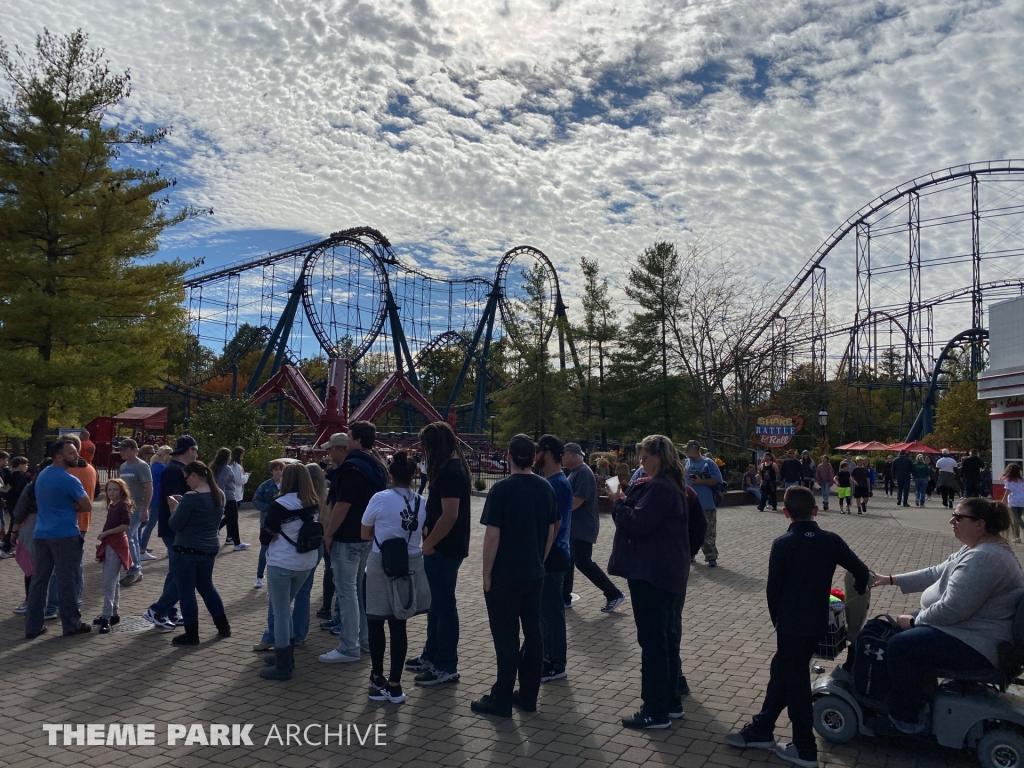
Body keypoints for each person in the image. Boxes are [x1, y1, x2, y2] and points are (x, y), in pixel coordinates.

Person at [728, 486, 870, 768]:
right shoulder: (831, 540)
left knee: (796, 685)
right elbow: (860, 570)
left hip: (790, 623)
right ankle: (762, 727)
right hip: (817, 621)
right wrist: (860, 587)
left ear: (785, 513)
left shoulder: (783, 543)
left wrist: (776, 619)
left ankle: (804, 748)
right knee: (782, 670)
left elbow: (773, 589)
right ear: (815, 511)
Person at [872, 498, 1024, 733]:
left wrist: (915, 621)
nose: (951, 520)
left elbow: (953, 609)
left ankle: (907, 718)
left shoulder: (985, 558)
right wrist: (892, 580)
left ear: (979, 525)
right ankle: (918, 693)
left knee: (900, 646)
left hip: (979, 642)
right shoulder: (975, 548)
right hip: (966, 628)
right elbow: (936, 572)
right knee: (890, 628)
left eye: (958, 517)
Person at [472, 434, 559, 718]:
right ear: (534, 458)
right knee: (533, 634)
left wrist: (486, 575)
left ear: (508, 456)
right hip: (534, 573)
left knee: (506, 637)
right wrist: (541, 559)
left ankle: (501, 697)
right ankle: (528, 695)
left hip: (506, 575)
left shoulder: (503, 490)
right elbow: (551, 529)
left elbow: (492, 536)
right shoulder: (546, 487)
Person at [607, 434, 690, 729]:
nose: (641, 462)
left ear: (658, 457)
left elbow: (638, 524)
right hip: (665, 572)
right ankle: (670, 701)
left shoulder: (660, 486)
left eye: (644, 458)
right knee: (665, 639)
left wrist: (618, 502)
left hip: (652, 573)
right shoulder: (670, 485)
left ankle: (655, 710)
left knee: (653, 642)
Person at [405, 421, 472, 686]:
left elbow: (450, 514)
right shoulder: (451, 469)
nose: (424, 452)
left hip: (444, 548)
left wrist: (429, 543)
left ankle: (446, 665)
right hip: (444, 546)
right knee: (435, 606)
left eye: (426, 446)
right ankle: (431, 655)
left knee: (443, 607)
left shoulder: (450, 472)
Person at [361, 452, 431, 704]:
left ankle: (377, 677)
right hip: (410, 564)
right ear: (415, 475)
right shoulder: (421, 501)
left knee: (375, 622)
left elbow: (365, 532)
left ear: (390, 474)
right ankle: (395, 684)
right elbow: (424, 531)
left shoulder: (380, 498)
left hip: (381, 563)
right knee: (398, 626)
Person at [321, 422, 388, 664]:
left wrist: (329, 533)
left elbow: (342, 505)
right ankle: (366, 640)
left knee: (347, 591)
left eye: (349, 436)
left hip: (348, 536)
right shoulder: (378, 466)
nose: (347, 439)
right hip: (367, 536)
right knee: (360, 589)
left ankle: (349, 646)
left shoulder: (352, 468)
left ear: (357, 440)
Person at [25, 436, 92, 638]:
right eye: (71, 453)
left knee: (39, 581)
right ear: (59, 457)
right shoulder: (68, 479)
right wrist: (72, 506)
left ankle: (33, 626)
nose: (77, 455)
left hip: (42, 533)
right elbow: (87, 505)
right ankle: (71, 624)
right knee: (67, 580)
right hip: (64, 534)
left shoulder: (43, 475)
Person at [259, 463, 320, 679]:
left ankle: (283, 664)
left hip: (283, 562)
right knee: (286, 609)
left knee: (281, 612)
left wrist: (272, 533)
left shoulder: (280, 504)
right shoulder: (313, 502)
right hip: (306, 562)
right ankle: (286, 655)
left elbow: (265, 537)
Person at [165, 460, 232, 646]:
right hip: (209, 548)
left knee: (186, 592)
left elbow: (175, 525)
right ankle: (223, 626)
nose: (186, 483)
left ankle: (192, 634)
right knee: (207, 587)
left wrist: (174, 507)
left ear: (194, 475)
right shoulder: (219, 494)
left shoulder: (191, 497)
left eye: (187, 478)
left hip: (186, 549)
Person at [142, 435, 198, 631]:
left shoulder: (177, 469)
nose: (197, 454)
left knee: (176, 571)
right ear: (189, 450)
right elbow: (174, 500)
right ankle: (158, 610)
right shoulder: (174, 470)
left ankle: (169, 610)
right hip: (175, 528)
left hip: (175, 527)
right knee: (183, 572)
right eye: (196, 450)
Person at [561, 443, 624, 612]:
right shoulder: (576, 472)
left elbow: (578, 500)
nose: (562, 458)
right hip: (575, 527)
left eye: (564, 455)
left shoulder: (583, 472)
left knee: (583, 562)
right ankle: (564, 597)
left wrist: (558, 514)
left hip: (582, 528)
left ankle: (613, 593)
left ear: (573, 455)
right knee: (569, 562)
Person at [534, 434, 573, 683]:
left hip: (553, 553)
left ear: (547, 453)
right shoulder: (551, 480)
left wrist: (542, 554)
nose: (534, 455)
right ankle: (546, 657)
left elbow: (554, 525)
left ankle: (556, 662)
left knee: (551, 611)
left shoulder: (556, 483)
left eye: (538, 450)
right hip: (550, 553)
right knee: (544, 611)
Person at [94, 478, 133, 634]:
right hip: (110, 543)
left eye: (115, 489)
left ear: (121, 491)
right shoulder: (113, 505)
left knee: (108, 582)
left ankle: (107, 615)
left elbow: (125, 525)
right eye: (109, 489)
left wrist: (106, 533)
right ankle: (113, 613)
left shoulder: (123, 505)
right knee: (112, 580)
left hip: (116, 544)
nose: (111, 492)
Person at [118, 439, 152, 587]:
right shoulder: (123, 466)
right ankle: (136, 568)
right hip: (125, 507)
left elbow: (149, 488)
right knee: (133, 538)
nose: (122, 452)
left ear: (134, 450)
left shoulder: (142, 466)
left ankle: (134, 569)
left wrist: (145, 509)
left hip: (137, 507)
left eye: (125, 449)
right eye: (121, 449)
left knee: (128, 535)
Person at [684, 440, 723, 567]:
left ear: (696, 449)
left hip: (706, 503)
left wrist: (701, 481)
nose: (688, 451)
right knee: (690, 530)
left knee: (708, 531)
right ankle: (690, 554)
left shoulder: (708, 463)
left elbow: (718, 480)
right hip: (690, 504)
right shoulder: (686, 463)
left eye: (690, 449)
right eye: (687, 449)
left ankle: (711, 557)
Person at [252, 460, 286, 591]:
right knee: (264, 550)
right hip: (266, 524)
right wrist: (269, 509)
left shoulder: (287, 486)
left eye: (280, 469)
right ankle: (259, 576)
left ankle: (279, 576)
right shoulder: (265, 486)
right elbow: (256, 501)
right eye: (275, 469)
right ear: (271, 471)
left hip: (284, 525)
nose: (278, 471)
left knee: (282, 550)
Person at [212, 447, 249, 551]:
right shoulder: (227, 468)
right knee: (233, 519)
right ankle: (237, 542)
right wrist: (221, 499)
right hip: (229, 497)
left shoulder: (216, 467)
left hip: (226, 497)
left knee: (231, 519)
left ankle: (234, 540)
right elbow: (221, 484)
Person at [139, 445, 171, 559]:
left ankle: (141, 546)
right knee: (150, 524)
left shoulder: (154, 466)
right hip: (159, 499)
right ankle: (142, 549)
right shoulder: (163, 468)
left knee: (146, 524)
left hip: (154, 498)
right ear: (165, 455)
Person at [1001, 464, 1024, 543]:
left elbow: (1008, 491)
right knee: (1019, 518)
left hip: (1013, 501)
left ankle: (1017, 537)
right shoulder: (1022, 479)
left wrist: (1003, 500)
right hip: (1022, 501)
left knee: (1016, 519)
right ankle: (1017, 537)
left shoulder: (1008, 480)